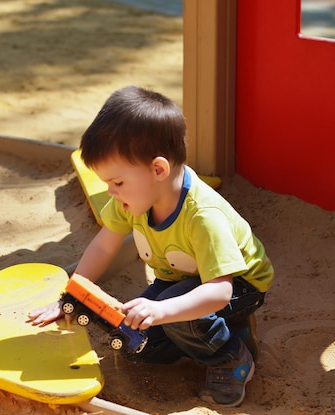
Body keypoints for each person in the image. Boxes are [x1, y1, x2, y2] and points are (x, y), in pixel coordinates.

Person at [27, 85, 274, 407]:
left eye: (117, 182)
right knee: (136, 343)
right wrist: (71, 296)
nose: (112, 192)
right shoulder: (131, 200)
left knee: (178, 311)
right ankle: (210, 331)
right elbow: (103, 247)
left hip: (239, 285)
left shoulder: (202, 216)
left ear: (158, 170)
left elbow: (219, 292)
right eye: (107, 184)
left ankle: (231, 356)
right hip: (180, 281)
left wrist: (162, 310)